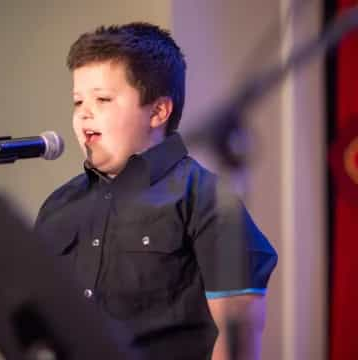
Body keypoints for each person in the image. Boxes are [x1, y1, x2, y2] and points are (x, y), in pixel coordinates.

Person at [34, 22, 277, 360]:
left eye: (102, 99)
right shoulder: (58, 205)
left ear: (159, 111)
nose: (84, 114)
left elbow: (240, 332)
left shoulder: (204, 197)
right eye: (78, 101)